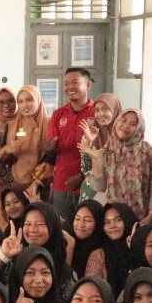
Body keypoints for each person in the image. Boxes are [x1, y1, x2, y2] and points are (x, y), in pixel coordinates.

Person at [84, 107, 152, 221]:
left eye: (133, 124)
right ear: (117, 121)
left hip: (140, 217)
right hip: (113, 218)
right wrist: (95, 158)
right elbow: (99, 187)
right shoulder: (108, 149)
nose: (126, 126)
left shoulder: (148, 152)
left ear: (139, 128)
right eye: (123, 120)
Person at [47, 67, 95, 213]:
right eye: (66, 84)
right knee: (62, 225)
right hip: (62, 185)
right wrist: (49, 148)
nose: (69, 87)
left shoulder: (97, 112)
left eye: (75, 82)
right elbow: (52, 150)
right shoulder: (58, 114)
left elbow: (103, 153)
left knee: (88, 224)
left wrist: (82, 176)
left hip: (91, 186)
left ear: (88, 85)